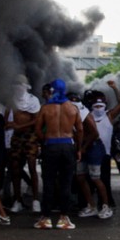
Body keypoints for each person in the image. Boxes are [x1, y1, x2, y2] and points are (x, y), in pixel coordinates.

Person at [34, 78, 82, 230]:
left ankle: (46, 218)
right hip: (68, 146)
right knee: (66, 183)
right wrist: (78, 149)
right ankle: (64, 218)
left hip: (51, 145)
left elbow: (37, 129)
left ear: (52, 91)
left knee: (48, 182)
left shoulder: (46, 109)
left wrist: (45, 141)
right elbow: (80, 130)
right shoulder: (73, 108)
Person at [76, 81, 120, 220]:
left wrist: (115, 88)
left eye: (101, 106)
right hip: (90, 152)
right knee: (86, 179)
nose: (98, 108)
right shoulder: (87, 116)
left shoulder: (108, 116)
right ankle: (90, 206)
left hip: (104, 154)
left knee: (102, 181)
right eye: (96, 106)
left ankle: (106, 206)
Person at [7, 75, 42, 215]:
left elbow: (36, 120)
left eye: (20, 84)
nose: (17, 87)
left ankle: (35, 200)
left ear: (26, 86)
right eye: (15, 84)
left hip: (30, 137)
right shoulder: (11, 101)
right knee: (15, 168)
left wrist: (18, 126)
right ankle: (18, 200)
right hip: (16, 138)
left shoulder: (33, 101)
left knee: (32, 167)